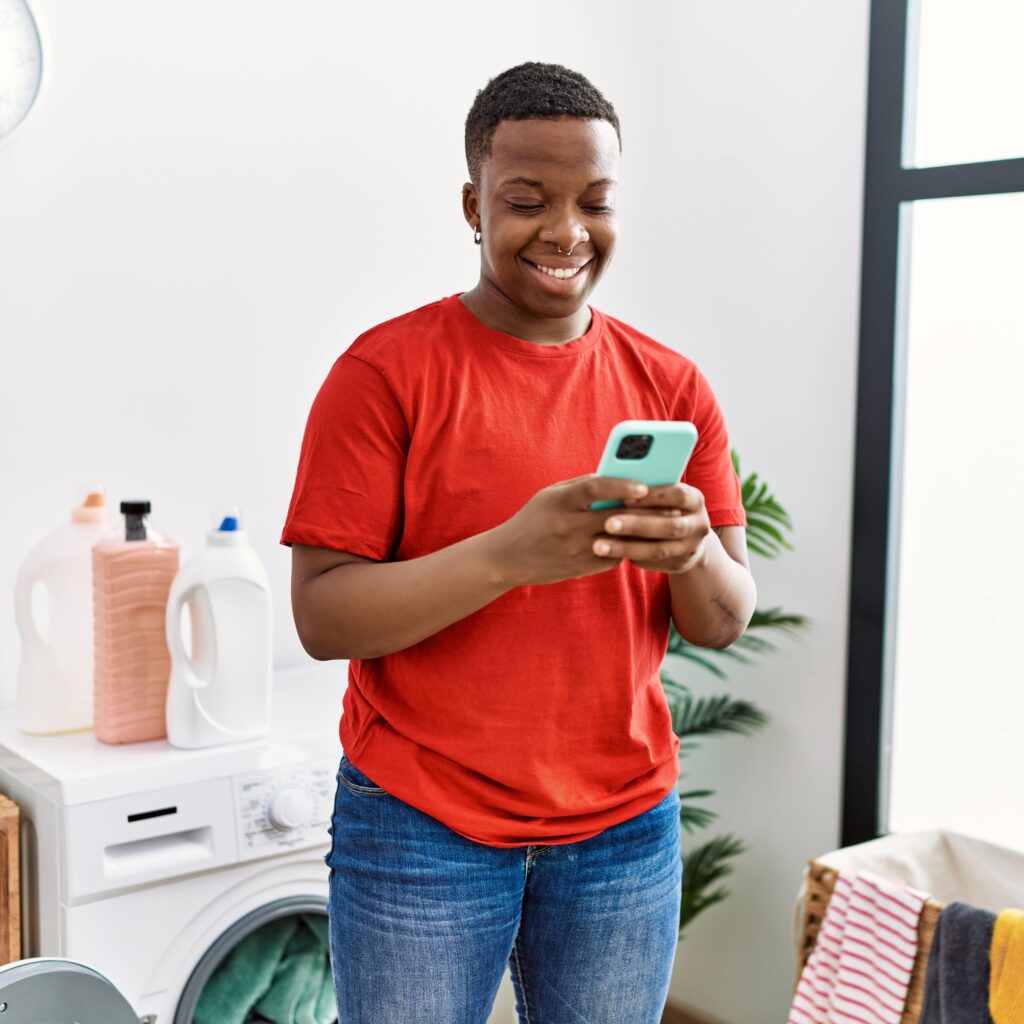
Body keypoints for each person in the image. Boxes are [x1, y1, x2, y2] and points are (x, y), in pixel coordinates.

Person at [281, 60, 756, 1024]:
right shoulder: (382, 375)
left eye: (597, 202)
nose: (567, 232)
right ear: (474, 202)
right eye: (528, 200)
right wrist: (509, 555)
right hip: (420, 823)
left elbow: (724, 619)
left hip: (624, 831)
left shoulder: (671, 385)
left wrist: (695, 549)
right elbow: (325, 617)